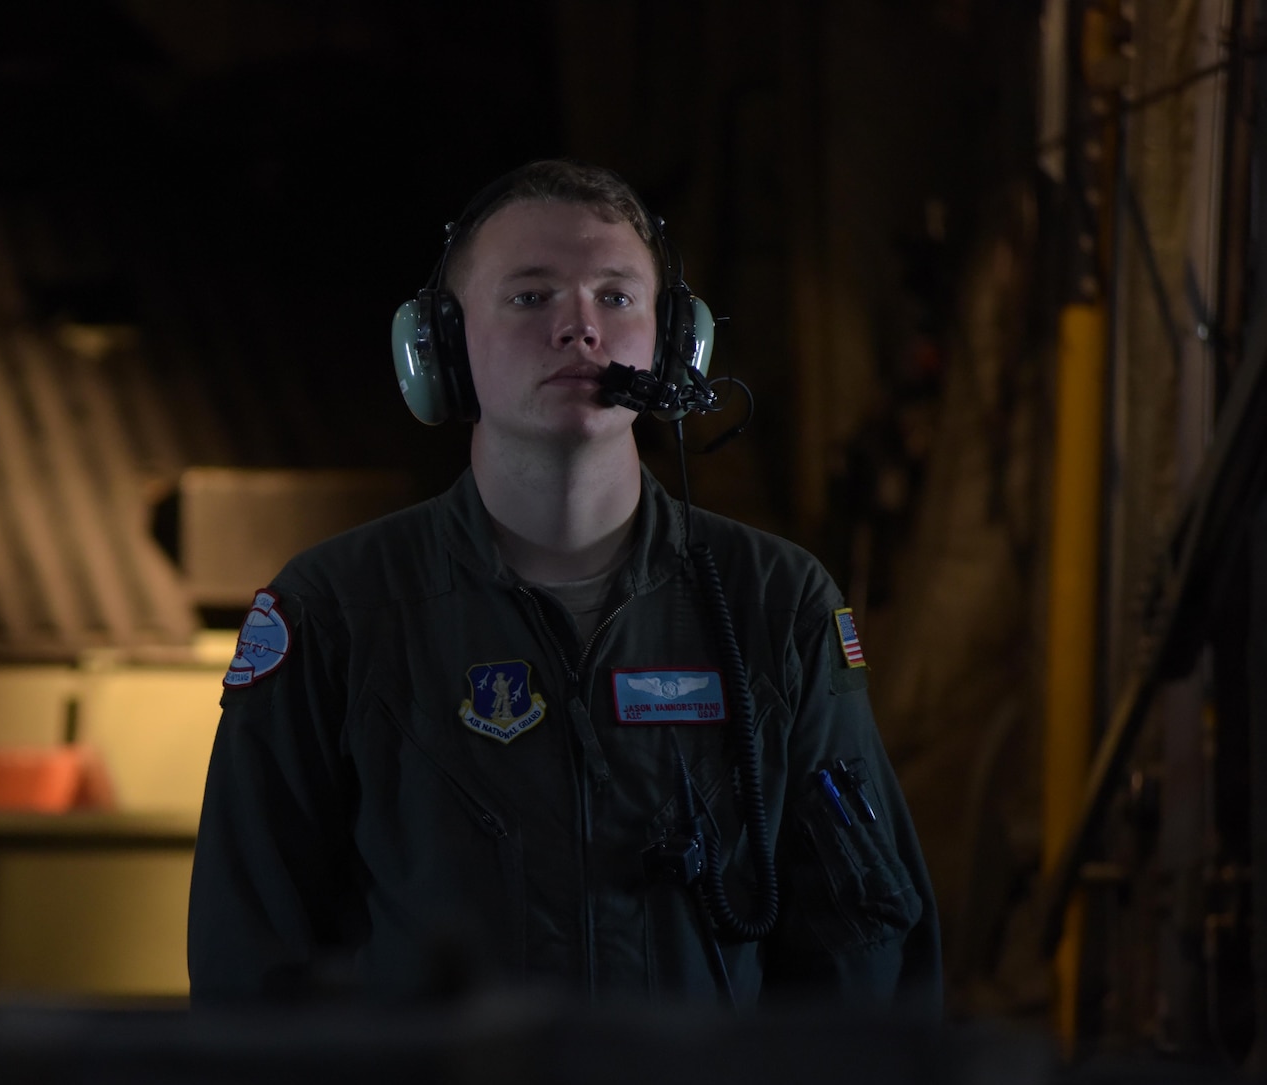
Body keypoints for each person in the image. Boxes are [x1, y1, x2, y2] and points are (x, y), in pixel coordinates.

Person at [187, 160, 940, 1011]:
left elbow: (867, 952)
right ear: (440, 345)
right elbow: (248, 968)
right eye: (531, 296)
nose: (581, 329)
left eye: (616, 297)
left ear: (673, 342)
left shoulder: (778, 605)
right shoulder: (334, 612)